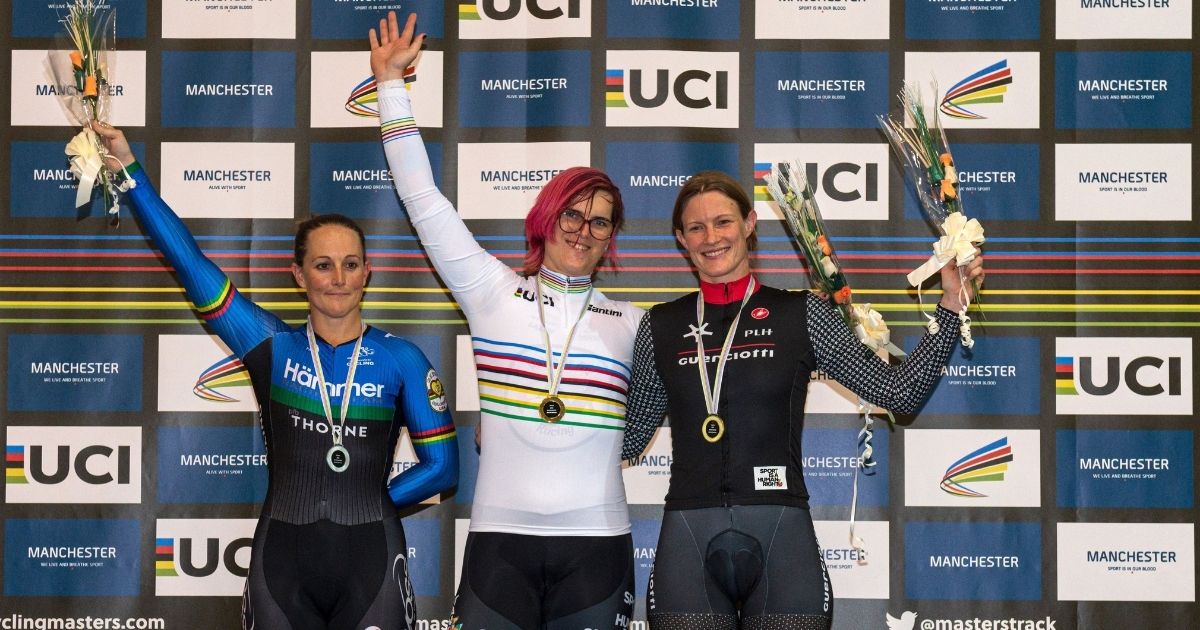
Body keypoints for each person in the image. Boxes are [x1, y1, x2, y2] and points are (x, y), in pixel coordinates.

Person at [92, 122, 459, 630]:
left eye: (351, 265)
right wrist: (131, 171)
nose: (338, 279)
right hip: (281, 559)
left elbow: (443, 469)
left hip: (371, 555)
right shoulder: (270, 345)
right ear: (299, 274)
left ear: (367, 273)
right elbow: (190, 263)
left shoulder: (403, 359)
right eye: (323, 265)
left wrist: (371, 502)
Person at [369, 11, 643, 629]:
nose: (583, 229)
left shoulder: (632, 322)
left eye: (599, 221)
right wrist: (390, 85)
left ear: (611, 239)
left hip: (598, 544)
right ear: (545, 219)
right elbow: (423, 200)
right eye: (571, 214)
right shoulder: (493, 291)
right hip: (500, 543)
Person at [621, 171, 985, 629]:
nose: (711, 237)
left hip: (781, 537)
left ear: (750, 223)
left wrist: (952, 304)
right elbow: (631, 439)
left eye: (723, 222)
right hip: (688, 541)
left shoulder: (802, 313)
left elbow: (899, 393)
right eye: (696, 227)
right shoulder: (661, 325)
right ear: (681, 239)